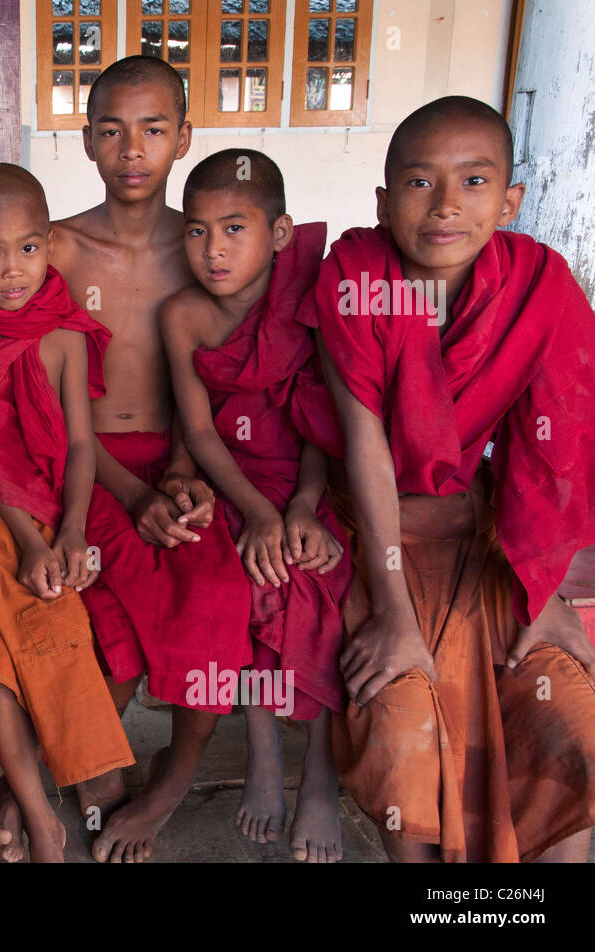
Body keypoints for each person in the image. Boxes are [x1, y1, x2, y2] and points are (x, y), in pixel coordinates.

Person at [303, 96, 595, 862]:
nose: (445, 207)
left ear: (511, 200)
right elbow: (364, 448)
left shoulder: (539, 282)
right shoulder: (355, 273)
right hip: (379, 542)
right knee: (403, 739)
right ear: (382, 198)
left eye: (473, 182)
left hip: (486, 543)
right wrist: (393, 613)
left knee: (565, 725)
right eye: (419, 182)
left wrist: (549, 590)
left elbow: (554, 448)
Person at [50, 56, 252, 863]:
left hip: (182, 461)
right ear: (89, 143)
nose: (133, 150)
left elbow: (211, 388)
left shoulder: (205, 248)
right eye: (111, 131)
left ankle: (172, 779)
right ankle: (80, 771)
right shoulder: (59, 247)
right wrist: (134, 491)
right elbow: (50, 405)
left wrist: (180, 478)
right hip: (84, 462)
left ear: (185, 139)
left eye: (154, 130)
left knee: (213, 588)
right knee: (100, 609)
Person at [0, 163, 135, 863]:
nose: (12, 269)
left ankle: (74, 789)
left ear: (49, 243)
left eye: (27, 248)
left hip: (50, 507)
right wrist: (29, 541)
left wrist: (69, 530)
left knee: (63, 628)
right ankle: (42, 818)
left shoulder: (66, 333)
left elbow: (81, 443)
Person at [161, 149, 352, 862]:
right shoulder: (182, 314)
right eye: (196, 230)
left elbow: (317, 422)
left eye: (234, 228)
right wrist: (259, 514)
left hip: (304, 480)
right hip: (230, 483)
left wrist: (302, 507)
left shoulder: (305, 302)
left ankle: (322, 773)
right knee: (251, 580)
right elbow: (202, 432)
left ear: (279, 232)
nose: (213, 249)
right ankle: (266, 747)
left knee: (327, 585)